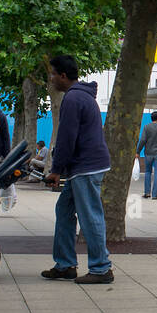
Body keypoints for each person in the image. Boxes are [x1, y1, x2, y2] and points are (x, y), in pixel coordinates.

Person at [42, 55, 113, 284]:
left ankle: (101, 269)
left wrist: (55, 170)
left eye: (53, 74)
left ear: (63, 75)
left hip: (86, 167)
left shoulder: (72, 99)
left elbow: (66, 138)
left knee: (90, 216)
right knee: (64, 210)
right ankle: (65, 265)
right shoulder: (81, 95)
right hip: (84, 166)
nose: (50, 78)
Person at [136, 111, 157, 200]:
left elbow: (142, 140)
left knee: (148, 172)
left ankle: (147, 193)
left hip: (149, 153)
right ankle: (155, 195)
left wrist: (138, 152)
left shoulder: (146, 127)